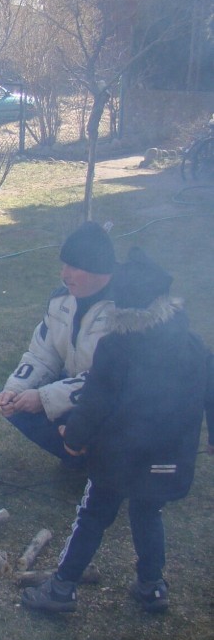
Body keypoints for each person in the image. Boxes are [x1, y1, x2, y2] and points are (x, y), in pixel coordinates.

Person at [21, 247, 214, 614]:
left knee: (92, 514)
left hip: (119, 457)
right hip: (169, 455)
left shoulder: (116, 347)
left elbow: (95, 402)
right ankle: (152, 586)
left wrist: (74, 440)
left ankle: (62, 589)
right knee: (148, 512)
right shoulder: (192, 343)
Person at [0, 221, 115, 466]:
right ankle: (77, 458)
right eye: (64, 265)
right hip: (80, 392)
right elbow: (41, 355)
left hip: (118, 404)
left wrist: (45, 397)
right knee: (19, 408)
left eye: (73, 266)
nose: (64, 274)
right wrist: (16, 389)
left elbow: (108, 381)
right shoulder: (61, 299)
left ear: (99, 271)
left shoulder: (123, 315)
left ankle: (103, 465)